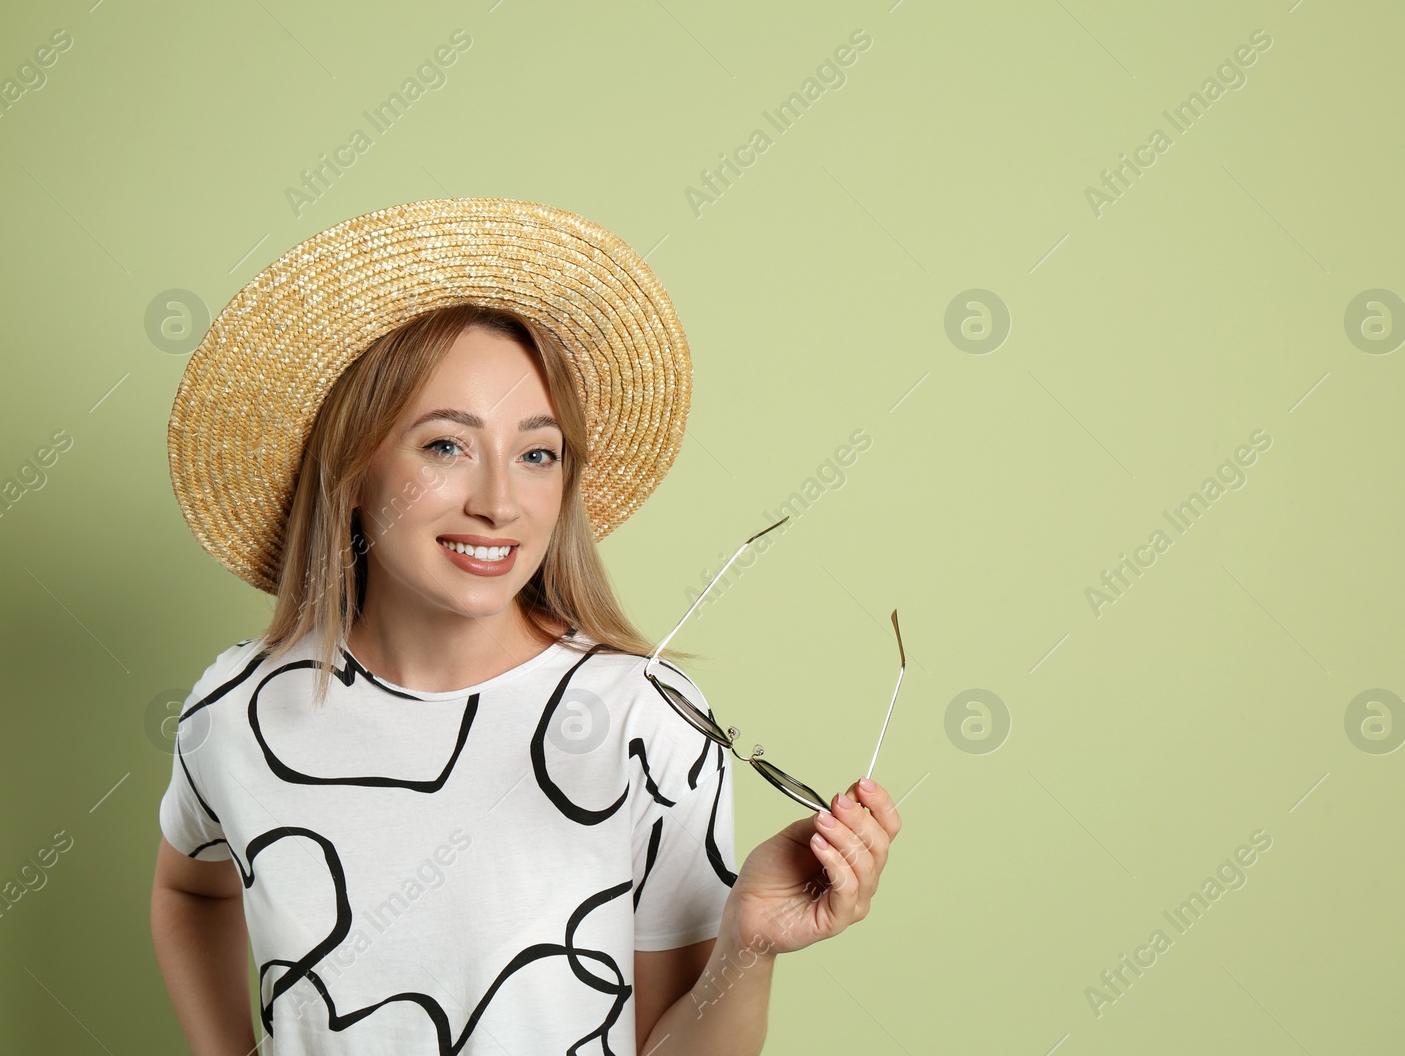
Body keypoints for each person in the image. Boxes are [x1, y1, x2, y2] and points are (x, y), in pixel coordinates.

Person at [149, 198, 901, 1055]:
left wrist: (749, 946)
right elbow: (191, 892)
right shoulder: (238, 706)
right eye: (445, 445)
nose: (499, 502)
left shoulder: (647, 723)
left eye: (537, 452)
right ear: (353, 469)